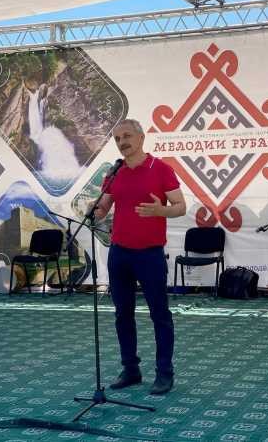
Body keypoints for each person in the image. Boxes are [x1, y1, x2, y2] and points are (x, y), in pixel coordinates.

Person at [93, 118, 186, 395]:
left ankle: (164, 373)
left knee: (160, 314)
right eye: (117, 139)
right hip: (119, 253)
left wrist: (160, 211)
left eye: (127, 136)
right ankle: (131, 369)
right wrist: (96, 210)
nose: (122, 142)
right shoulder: (114, 172)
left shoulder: (161, 169)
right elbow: (103, 207)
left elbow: (180, 206)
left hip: (149, 254)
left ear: (141, 137)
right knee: (123, 314)